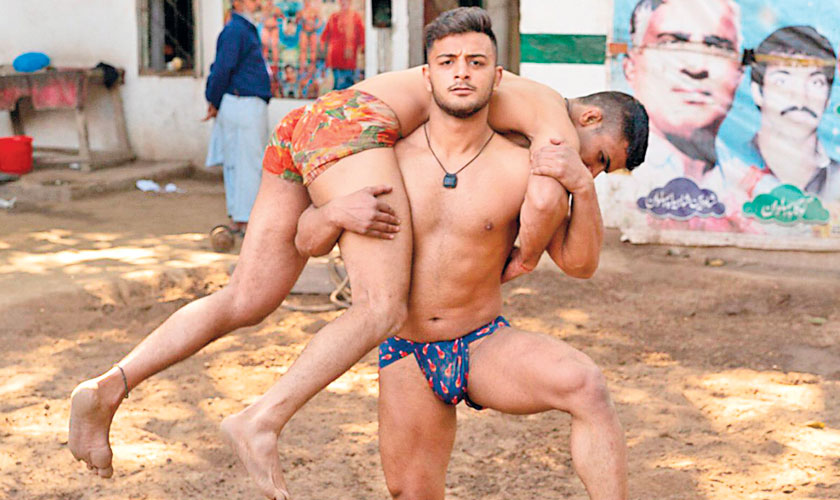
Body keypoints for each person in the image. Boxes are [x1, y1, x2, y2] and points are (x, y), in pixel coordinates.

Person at [67, 6, 592, 489]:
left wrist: (329, 213)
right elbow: (547, 197)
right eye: (603, 158)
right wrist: (526, 254)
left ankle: (109, 386)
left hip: (306, 126)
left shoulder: (489, 96)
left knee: (245, 297)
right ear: (591, 119)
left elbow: (310, 237)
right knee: (382, 306)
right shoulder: (549, 111)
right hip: (349, 128)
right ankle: (261, 420)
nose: (591, 167)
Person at [228, 9, 648, 500]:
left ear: (495, 77)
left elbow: (580, 264)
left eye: (475, 64)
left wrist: (583, 189)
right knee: (412, 493)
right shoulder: (383, 155)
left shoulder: (529, 170)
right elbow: (305, 238)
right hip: (405, 350)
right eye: (600, 161)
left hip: (481, 343)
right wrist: (335, 212)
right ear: (429, 76)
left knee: (586, 385)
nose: (462, 76)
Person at [623, 0, 762, 231]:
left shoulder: (754, 185)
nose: (695, 67)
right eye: (671, 43)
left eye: (716, 47)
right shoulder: (608, 175)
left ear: (739, 73)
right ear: (631, 67)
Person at [745, 25, 840, 201]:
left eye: (816, 82)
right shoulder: (730, 168)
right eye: (782, 81)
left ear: (828, 98)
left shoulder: (837, 179)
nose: (800, 97)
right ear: (757, 92)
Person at [204, 0, 271, 236]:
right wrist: (212, 99)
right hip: (241, 103)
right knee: (245, 164)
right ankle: (244, 220)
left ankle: (240, 219)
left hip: (242, 102)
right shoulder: (236, 30)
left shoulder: (242, 29)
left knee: (241, 162)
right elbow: (222, 69)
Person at [320, 0, 364, 91]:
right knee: (338, 86)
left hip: (349, 60)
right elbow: (324, 36)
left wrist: (363, 47)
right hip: (335, 58)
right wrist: (323, 52)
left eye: (346, 1)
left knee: (347, 87)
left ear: (350, 2)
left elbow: (362, 35)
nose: (343, 2)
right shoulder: (334, 17)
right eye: (341, 1)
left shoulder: (355, 17)